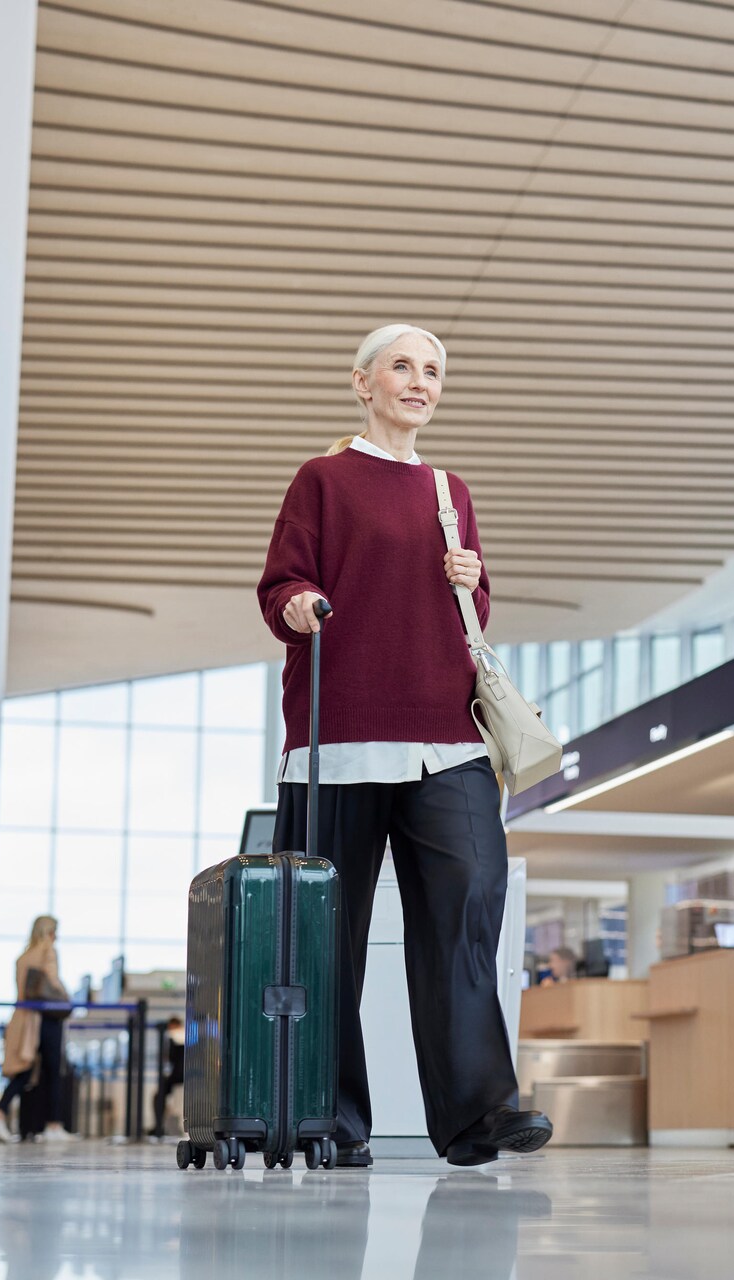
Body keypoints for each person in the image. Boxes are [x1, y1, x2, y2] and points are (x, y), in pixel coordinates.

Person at [257, 323, 553, 1169]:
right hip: (337, 740)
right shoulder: (322, 480)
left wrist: (474, 583)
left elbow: (470, 613)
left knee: (467, 903)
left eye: (433, 370)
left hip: (446, 740)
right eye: (402, 367)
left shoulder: (449, 490)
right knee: (325, 940)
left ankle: (476, 1116)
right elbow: (281, 583)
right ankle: (330, 1120)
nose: (419, 382)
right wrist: (303, 603)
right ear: (363, 383)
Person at [0, 915, 72, 1143]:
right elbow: (53, 982)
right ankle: (53, 1125)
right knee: (54, 1070)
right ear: (49, 932)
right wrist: (67, 998)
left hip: (24, 1018)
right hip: (44, 1018)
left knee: (25, 1070)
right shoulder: (48, 951)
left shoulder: (23, 957)